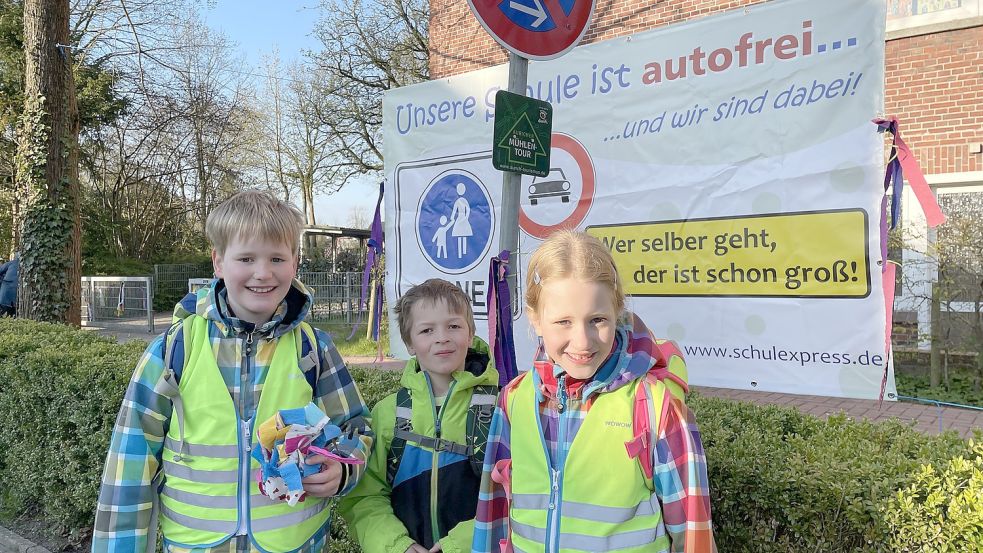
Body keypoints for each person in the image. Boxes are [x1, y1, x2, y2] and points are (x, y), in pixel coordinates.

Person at [92, 190, 373, 553]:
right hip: (195, 545)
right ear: (218, 262)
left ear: (295, 262)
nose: (263, 273)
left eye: (276, 258)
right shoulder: (174, 349)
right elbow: (128, 465)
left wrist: (343, 469)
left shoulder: (314, 349)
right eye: (246, 258)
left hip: (295, 543)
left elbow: (356, 427)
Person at [472, 230, 717, 553]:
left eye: (597, 320)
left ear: (617, 311)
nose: (583, 342)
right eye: (563, 322)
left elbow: (693, 535)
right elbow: (494, 516)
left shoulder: (656, 407)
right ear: (535, 319)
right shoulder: (514, 401)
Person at [339, 278, 499, 553]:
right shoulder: (387, 413)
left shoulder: (501, 409)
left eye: (454, 326)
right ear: (409, 343)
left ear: (470, 334)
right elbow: (365, 497)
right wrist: (395, 545)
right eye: (426, 330)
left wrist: (462, 544)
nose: (442, 337)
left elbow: (514, 495)